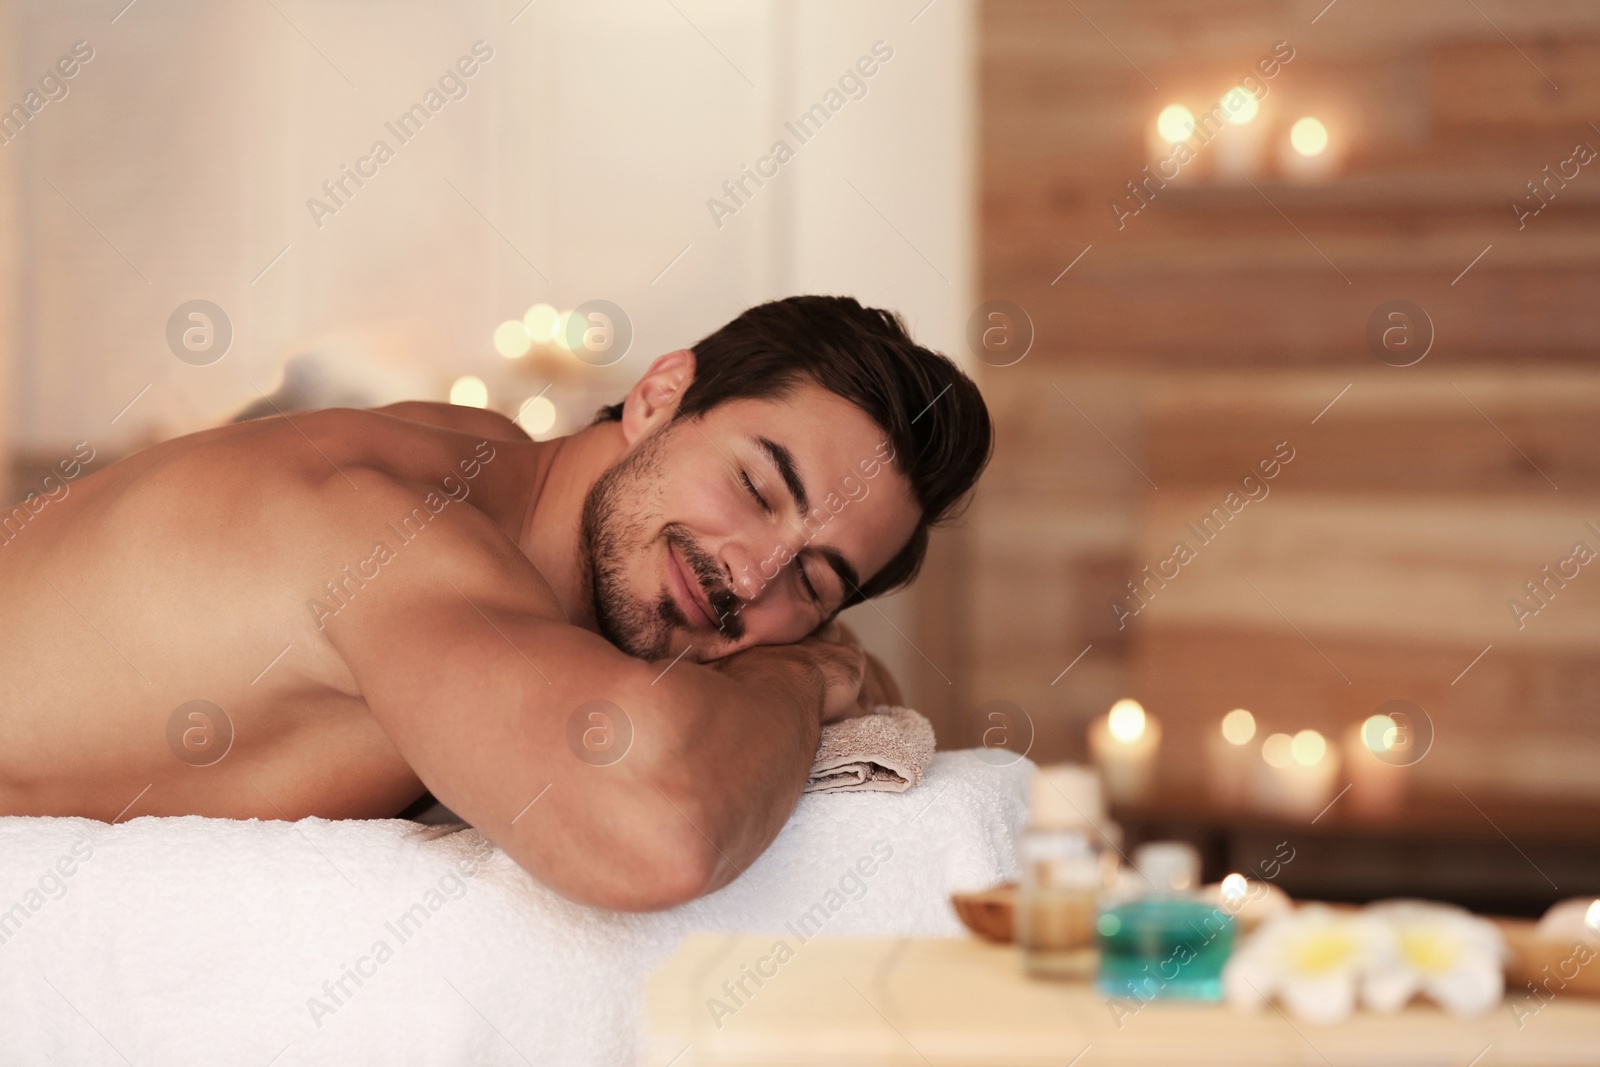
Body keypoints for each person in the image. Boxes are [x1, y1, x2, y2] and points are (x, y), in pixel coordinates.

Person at [0, 294, 991, 910]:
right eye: (757, 486)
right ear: (657, 396)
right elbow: (658, 827)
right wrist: (795, 665)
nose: (751, 574)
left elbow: (872, 690)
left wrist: (813, 659)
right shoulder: (393, 532)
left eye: (813, 582)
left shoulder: (509, 483)